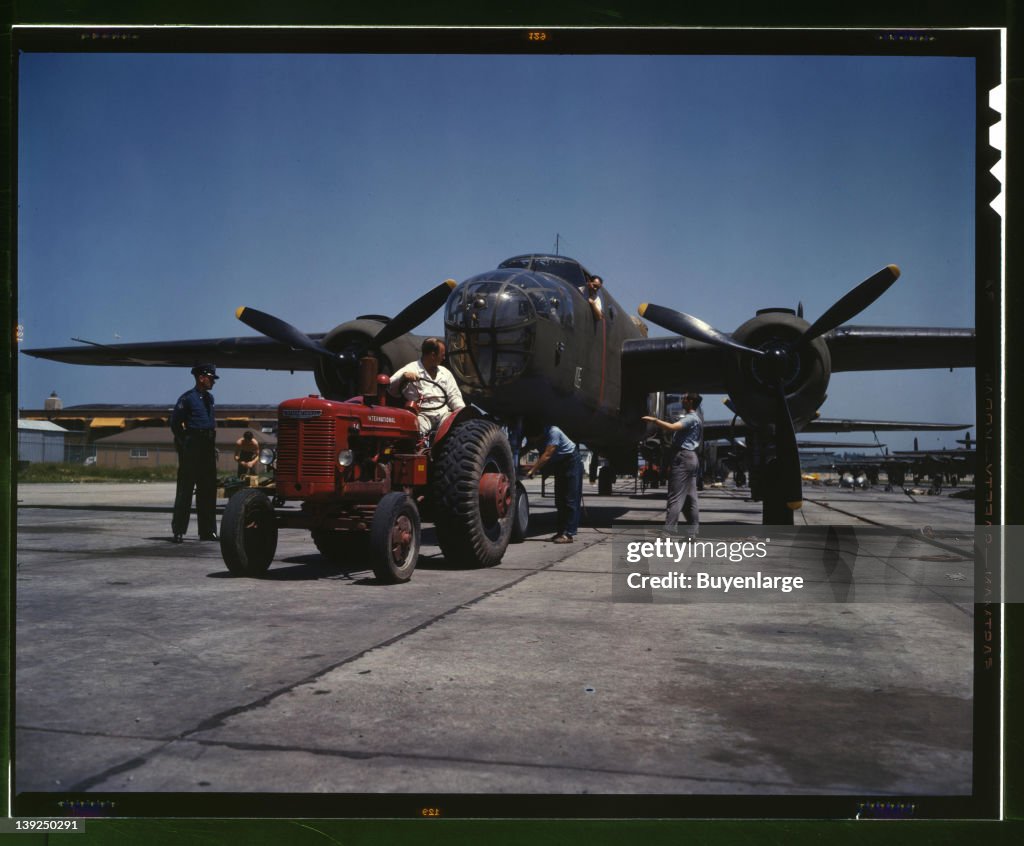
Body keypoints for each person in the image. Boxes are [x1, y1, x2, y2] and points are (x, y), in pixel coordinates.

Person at [169, 363, 220, 543]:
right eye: (211, 378)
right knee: (186, 488)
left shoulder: (210, 398)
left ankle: (208, 531)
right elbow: (175, 424)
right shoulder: (187, 398)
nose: (213, 381)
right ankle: (179, 530)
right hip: (193, 444)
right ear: (201, 377)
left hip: (207, 444)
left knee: (208, 489)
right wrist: (185, 444)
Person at [643, 392, 703, 536]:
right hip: (692, 458)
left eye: (684, 398)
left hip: (682, 457)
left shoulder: (690, 418)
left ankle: (668, 533)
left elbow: (672, 427)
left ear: (690, 402)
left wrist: (654, 421)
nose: (681, 400)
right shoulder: (697, 419)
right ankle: (692, 533)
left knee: (675, 497)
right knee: (690, 498)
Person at [388, 337, 466, 437]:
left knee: (456, 432)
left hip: (443, 415)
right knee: (414, 433)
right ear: (433, 355)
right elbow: (390, 388)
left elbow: (454, 396)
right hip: (422, 414)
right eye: (442, 355)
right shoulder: (411, 368)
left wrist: (462, 413)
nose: (444, 358)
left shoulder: (445, 373)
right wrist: (403, 377)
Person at [525, 424, 584, 544]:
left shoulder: (553, 432)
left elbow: (547, 455)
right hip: (560, 464)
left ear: (539, 435)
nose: (533, 442)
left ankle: (568, 534)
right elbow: (527, 447)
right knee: (559, 500)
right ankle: (560, 532)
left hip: (571, 461)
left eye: (534, 439)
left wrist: (533, 470)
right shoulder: (540, 436)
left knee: (570, 499)